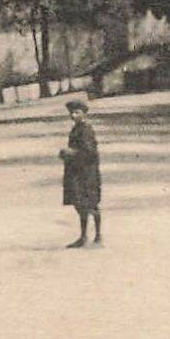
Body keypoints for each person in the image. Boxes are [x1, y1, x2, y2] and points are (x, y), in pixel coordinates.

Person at [59, 98, 102, 248]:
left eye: (76, 112)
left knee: (91, 204)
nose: (73, 115)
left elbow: (91, 152)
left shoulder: (86, 129)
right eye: (71, 112)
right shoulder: (77, 128)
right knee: (80, 204)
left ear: (84, 114)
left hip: (87, 172)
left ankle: (97, 237)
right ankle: (83, 237)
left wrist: (71, 152)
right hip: (77, 171)